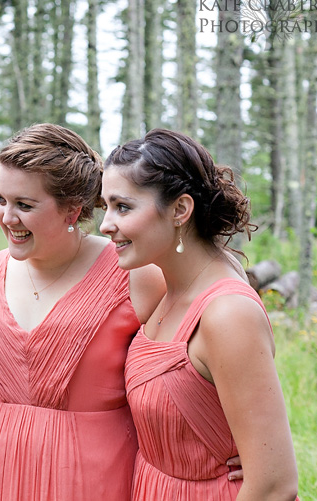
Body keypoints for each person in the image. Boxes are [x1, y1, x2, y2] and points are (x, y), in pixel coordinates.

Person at [0, 123, 166, 500]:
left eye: (25, 205)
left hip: (93, 475)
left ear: (72, 210)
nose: (7, 217)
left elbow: (181, 375)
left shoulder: (133, 273)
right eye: (1, 199)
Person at [100, 128, 298, 500]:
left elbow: (275, 486)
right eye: (106, 206)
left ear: (180, 210)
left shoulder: (226, 314)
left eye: (123, 207)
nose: (106, 224)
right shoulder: (167, 285)